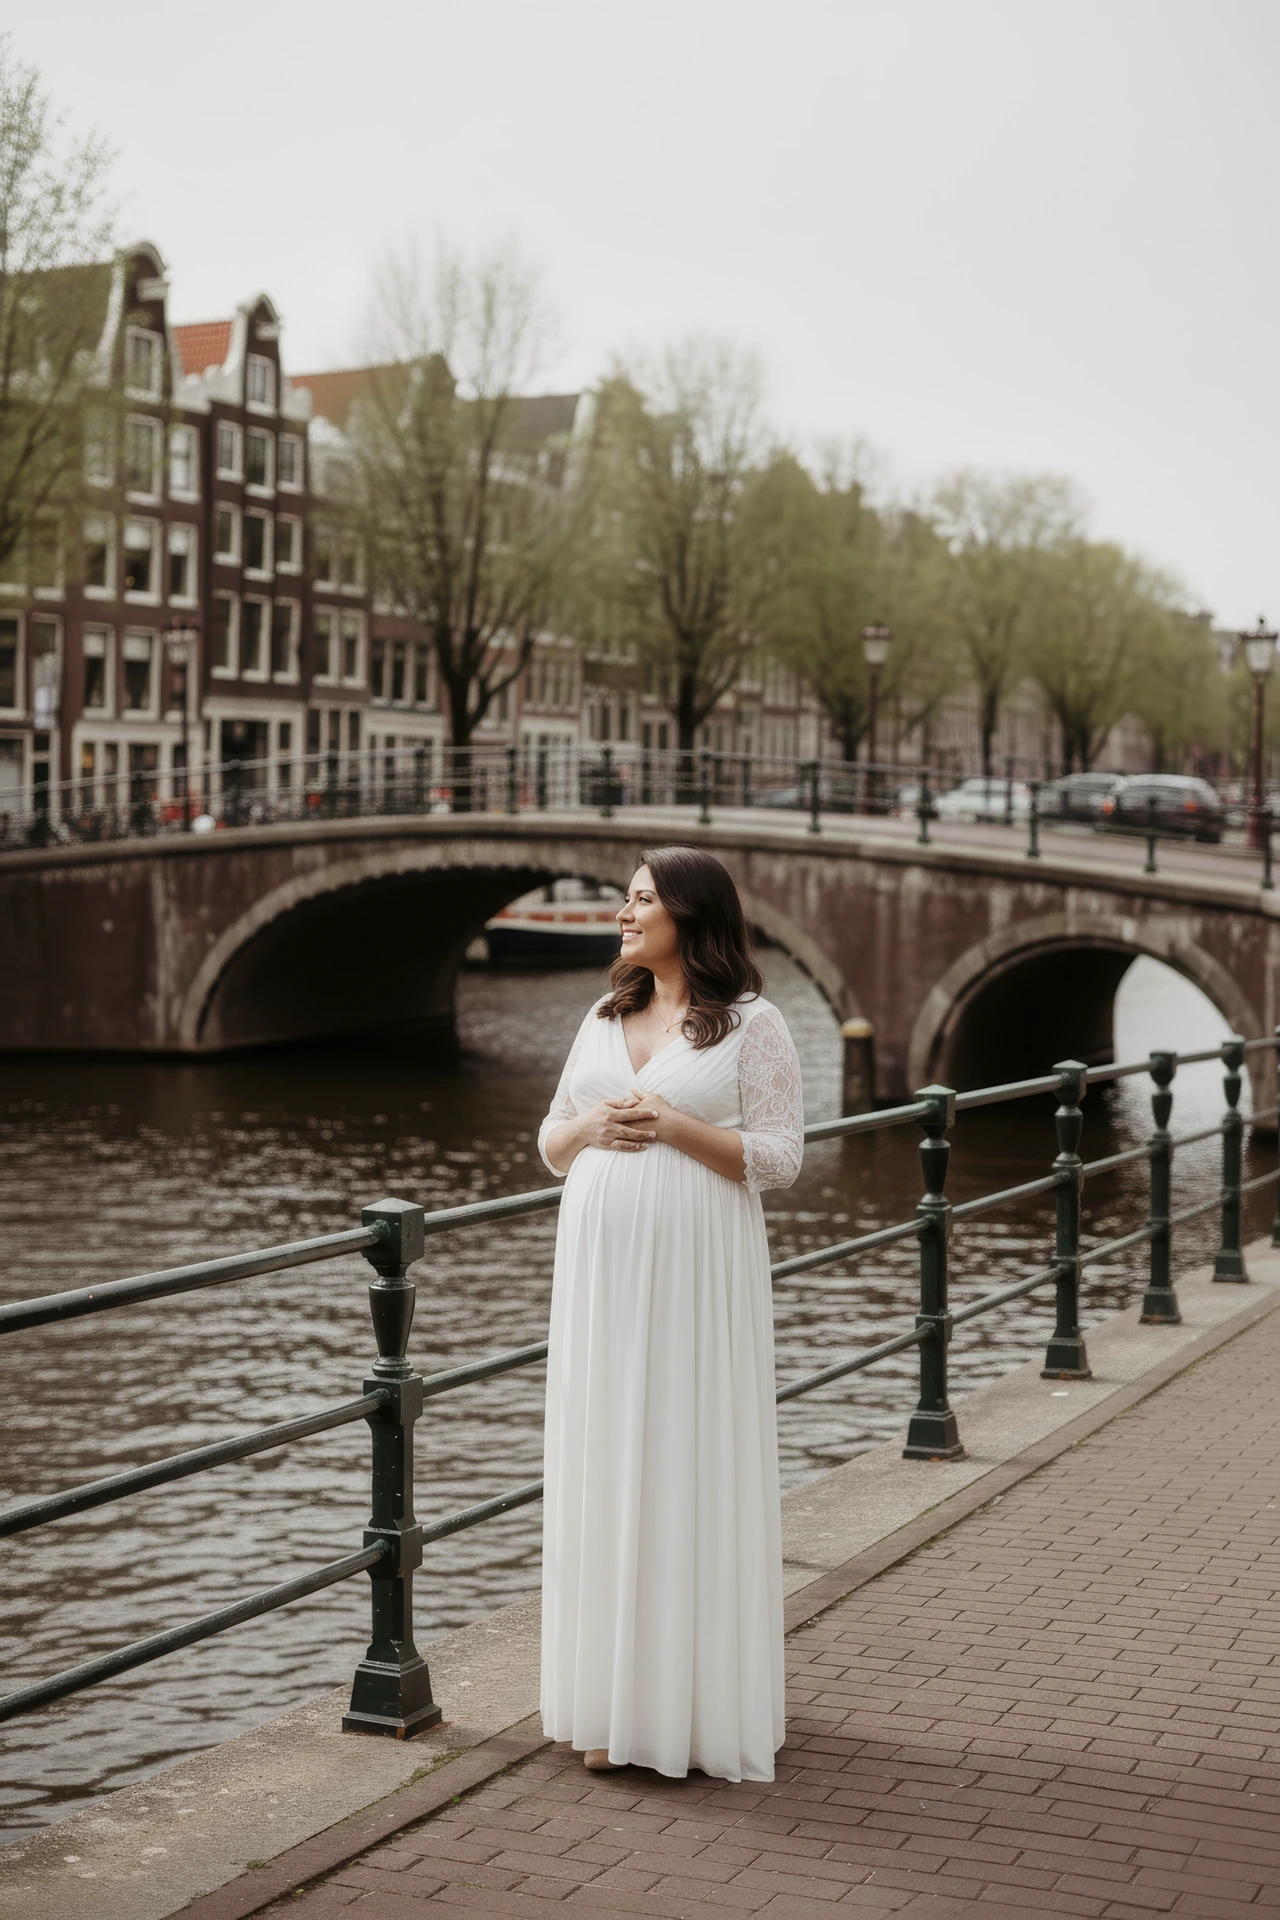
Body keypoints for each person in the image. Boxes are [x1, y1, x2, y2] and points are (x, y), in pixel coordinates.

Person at [537, 844, 804, 1783]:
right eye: (625, 898)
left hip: (695, 1282)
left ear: (688, 916)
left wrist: (670, 1126)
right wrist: (593, 1130)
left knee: (681, 1461)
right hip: (602, 1284)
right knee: (609, 1463)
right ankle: (609, 1705)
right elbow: (550, 1141)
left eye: (641, 900)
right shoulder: (604, 1016)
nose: (623, 912)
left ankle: (686, 1710)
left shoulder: (752, 1026)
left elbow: (778, 1158)